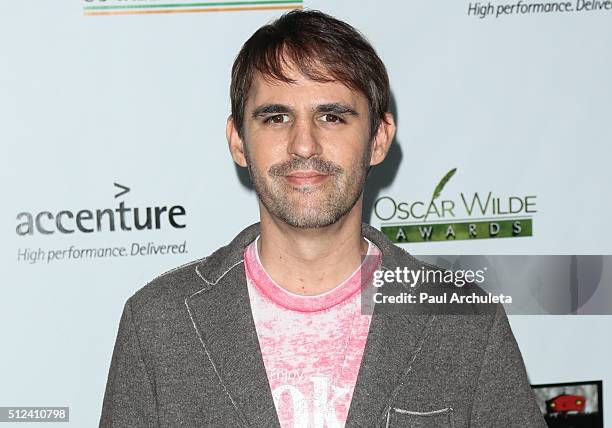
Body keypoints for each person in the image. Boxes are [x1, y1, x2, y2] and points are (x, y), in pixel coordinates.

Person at [100, 9, 545, 427]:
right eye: (276, 118)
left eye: (332, 117)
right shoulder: (159, 323)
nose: (304, 145)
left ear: (378, 138)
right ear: (238, 141)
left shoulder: (463, 320)